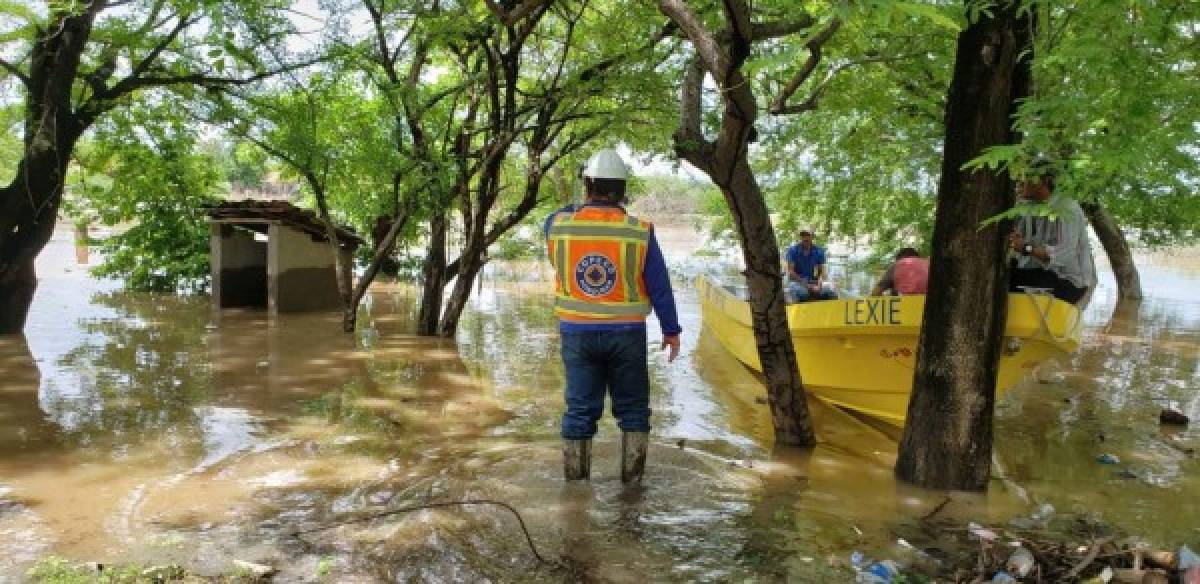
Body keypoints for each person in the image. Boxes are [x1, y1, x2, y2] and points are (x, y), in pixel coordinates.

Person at [543, 148, 681, 484]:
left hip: (577, 333)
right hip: (627, 334)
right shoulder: (640, 231)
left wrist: (583, 200)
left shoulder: (558, 225)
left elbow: (561, 213)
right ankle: (632, 492)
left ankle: (575, 494)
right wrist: (671, 330)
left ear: (587, 185)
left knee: (578, 411)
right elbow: (659, 284)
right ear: (622, 189)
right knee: (633, 411)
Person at [1008, 171, 1096, 305]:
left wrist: (1026, 247)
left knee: (1007, 280)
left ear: (1041, 182)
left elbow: (1064, 254)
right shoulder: (1027, 207)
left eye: (1025, 179)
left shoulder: (1066, 207)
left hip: (1070, 281)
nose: (1021, 183)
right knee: (1005, 273)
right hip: (1045, 273)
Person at [784, 229, 837, 302]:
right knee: (802, 293)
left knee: (831, 290)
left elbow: (821, 272)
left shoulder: (819, 251)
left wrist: (819, 284)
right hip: (797, 281)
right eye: (803, 235)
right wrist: (807, 285)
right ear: (801, 237)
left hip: (812, 281)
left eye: (808, 235)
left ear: (812, 237)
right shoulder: (792, 250)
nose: (805, 237)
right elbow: (791, 273)